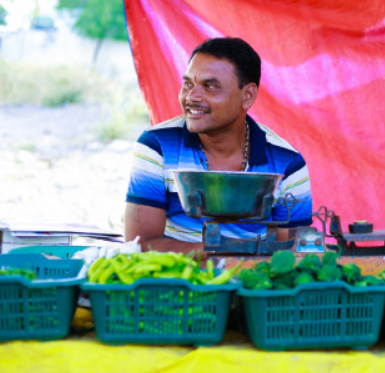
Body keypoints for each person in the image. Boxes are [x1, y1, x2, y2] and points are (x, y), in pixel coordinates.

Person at [124, 37, 312, 254]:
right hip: (178, 280)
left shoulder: (288, 163)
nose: (191, 97)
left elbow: (294, 253)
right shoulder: (157, 145)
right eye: (188, 84)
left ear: (247, 96)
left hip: (253, 282)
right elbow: (139, 245)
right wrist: (222, 253)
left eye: (210, 87)